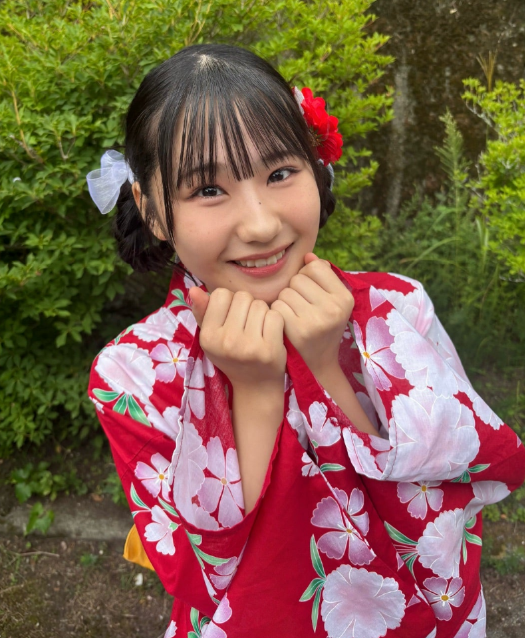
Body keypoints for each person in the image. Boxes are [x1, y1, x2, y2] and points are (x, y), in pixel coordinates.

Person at [86, 44, 525, 638]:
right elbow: (197, 571)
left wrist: (325, 366)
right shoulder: (132, 373)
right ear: (154, 211)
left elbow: (458, 486)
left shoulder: (398, 306)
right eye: (208, 190)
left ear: (316, 170)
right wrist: (256, 392)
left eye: (279, 173)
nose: (261, 223)